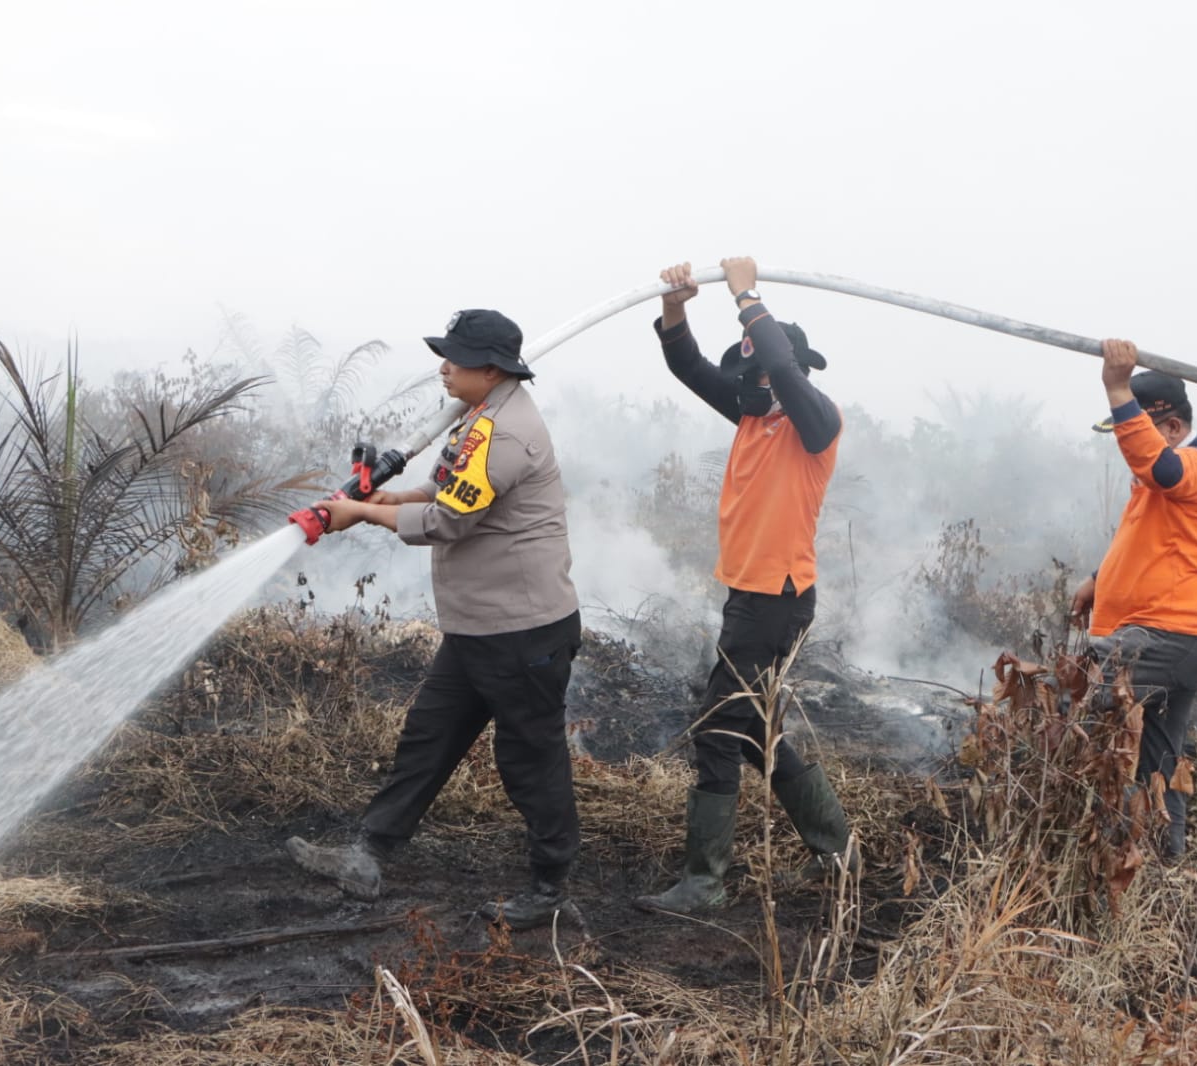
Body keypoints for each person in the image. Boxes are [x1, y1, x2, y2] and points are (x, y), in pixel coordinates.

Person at [286, 308, 584, 930]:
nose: (443, 367)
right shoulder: (479, 416)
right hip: (480, 625)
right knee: (429, 736)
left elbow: (449, 522)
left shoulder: (506, 433)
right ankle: (367, 855)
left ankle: (551, 885)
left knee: (531, 758)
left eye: (455, 358)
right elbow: (448, 490)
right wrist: (393, 497)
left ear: (492, 369)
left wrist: (363, 516)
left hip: (521, 631)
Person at [634, 257, 854, 915]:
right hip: (752, 595)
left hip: (776, 599)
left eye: (762, 372)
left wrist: (745, 294)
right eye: (750, 376)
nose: (756, 384)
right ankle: (837, 848)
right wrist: (676, 306)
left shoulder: (816, 425)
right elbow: (687, 366)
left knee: (715, 728)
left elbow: (786, 372)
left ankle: (704, 881)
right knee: (754, 730)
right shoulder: (754, 419)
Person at [1069, 340, 1197, 859]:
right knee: (1156, 764)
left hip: (1169, 637)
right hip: (1167, 637)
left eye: (1131, 429)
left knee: (1067, 692)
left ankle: (1062, 843)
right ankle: (1164, 868)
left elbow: (1162, 470)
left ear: (1174, 429)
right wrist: (1100, 577)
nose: (1124, 444)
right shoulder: (1157, 487)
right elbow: (1147, 544)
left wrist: (1117, 388)